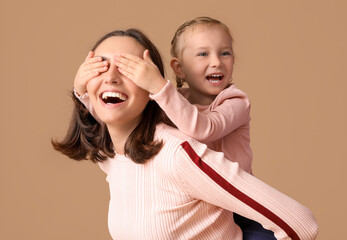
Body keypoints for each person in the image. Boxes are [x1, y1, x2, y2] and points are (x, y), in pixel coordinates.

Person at [53, 28, 318, 239]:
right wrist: (81, 92)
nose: (110, 77)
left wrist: (160, 87)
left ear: (151, 91)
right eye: (100, 66)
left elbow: (301, 223)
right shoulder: (110, 155)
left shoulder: (175, 155)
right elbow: (97, 116)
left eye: (127, 68)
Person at [106, 17, 273, 239]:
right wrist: (83, 93)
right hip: (202, 204)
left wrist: (159, 87)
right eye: (203, 54)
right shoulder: (174, 101)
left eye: (225, 53)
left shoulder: (235, 101)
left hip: (239, 205)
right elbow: (121, 116)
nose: (216, 62)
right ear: (179, 68)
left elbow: (204, 129)